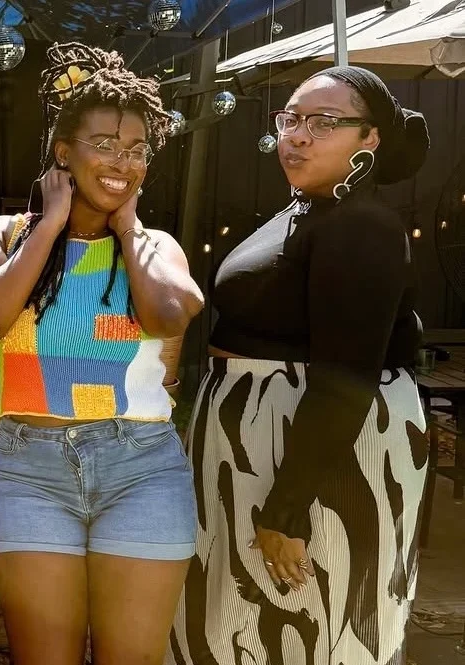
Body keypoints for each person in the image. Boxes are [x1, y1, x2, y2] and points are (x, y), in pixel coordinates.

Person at [166, 66, 430, 665]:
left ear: (371, 139)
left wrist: (287, 509)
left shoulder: (363, 226)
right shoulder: (306, 210)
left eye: (324, 122)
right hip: (252, 450)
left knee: (312, 622)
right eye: (291, 119)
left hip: (317, 460)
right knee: (241, 626)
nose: (298, 135)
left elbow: (347, 377)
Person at [0, 43, 204, 665]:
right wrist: (49, 224)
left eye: (136, 150)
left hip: (142, 467)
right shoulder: (8, 235)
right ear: (63, 153)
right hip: (30, 470)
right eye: (104, 145)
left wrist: (126, 227)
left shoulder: (155, 245)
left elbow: (168, 315)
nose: (122, 162)